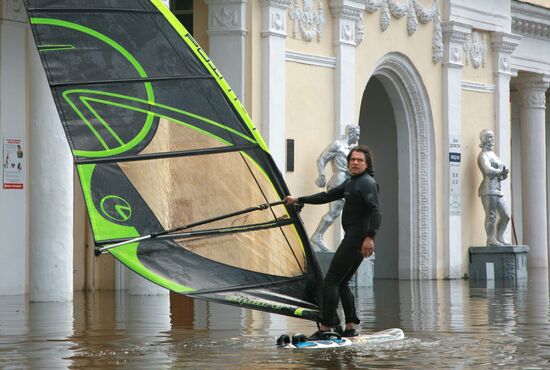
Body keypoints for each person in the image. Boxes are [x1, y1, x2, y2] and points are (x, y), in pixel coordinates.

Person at [284, 145, 381, 339]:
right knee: (342, 281)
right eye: (352, 159)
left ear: (366, 163)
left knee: (331, 281)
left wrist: (370, 238)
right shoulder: (351, 183)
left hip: (357, 239)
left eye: (359, 160)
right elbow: (326, 196)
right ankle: (350, 327)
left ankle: (325, 328)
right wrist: (298, 199)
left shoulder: (367, 183)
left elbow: (376, 212)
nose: (355, 163)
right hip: (355, 238)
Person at [310, 124, 360, 252]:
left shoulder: (351, 148)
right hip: (338, 179)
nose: (358, 137)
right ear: (352, 133)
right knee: (334, 211)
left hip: (348, 181)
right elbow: (322, 158)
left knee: (339, 212)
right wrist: (322, 175)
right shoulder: (338, 145)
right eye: (357, 134)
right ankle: (317, 237)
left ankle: (318, 237)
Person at [477, 129, 510, 246]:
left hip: (497, 189)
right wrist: (500, 170)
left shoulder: (493, 155)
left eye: (493, 137)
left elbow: (499, 175)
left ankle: (499, 237)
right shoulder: (482, 155)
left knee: (506, 216)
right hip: (488, 189)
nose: (492, 139)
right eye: (490, 137)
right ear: (484, 139)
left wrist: (504, 173)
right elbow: (488, 170)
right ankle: (490, 238)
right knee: (491, 216)